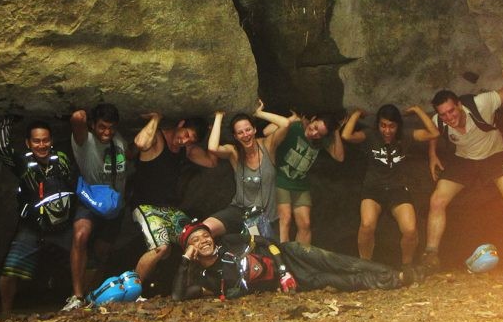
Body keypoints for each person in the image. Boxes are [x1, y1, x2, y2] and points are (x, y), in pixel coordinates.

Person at [422, 70, 503, 273]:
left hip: (494, 154)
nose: (449, 117)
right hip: (464, 159)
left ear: (459, 105)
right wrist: (432, 155)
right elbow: (432, 133)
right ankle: (430, 255)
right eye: (443, 114)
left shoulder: (481, 104)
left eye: (451, 111)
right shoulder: (438, 121)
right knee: (437, 200)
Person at [172, 222, 403, 301]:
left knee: (338, 263)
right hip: (290, 283)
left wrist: (283, 270)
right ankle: (394, 280)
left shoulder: (228, 242)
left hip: (290, 256)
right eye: (195, 240)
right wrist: (184, 260)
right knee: (339, 281)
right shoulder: (207, 279)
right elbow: (177, 296)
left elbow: (267, 241)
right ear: (191, 249)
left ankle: (395, 273)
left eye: (205, 235)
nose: (204, 240)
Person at [341, 105, 439, 277]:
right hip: (373, 188)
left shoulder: (405, 135)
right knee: (367, 225)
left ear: (398, 126)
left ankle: (406, 265)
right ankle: (366, 265)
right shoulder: (371, 135)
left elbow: (434, 133)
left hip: (397, 188)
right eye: (383, 125)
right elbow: (346, 135)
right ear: (378, 125)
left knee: (410, 229)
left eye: (391, 126)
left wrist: (417, 111)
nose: (387, 130)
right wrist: (357, 114)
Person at [0, 115, 76, 314]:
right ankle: (6, 313)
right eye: (36, 141)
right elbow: (0, 147)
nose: (42, 145)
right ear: (28, 143)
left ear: (51, 140)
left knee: (87, 261)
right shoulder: (23, 163)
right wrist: (7, 120)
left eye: (45, 140)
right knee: (10, 270)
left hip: (63, 226)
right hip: (33, 227)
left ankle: (82, 301)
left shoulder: (62, 159)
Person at [130, 113, 217, 283]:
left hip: (169, 209)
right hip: (145, 207)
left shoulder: (186, 150)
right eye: (186, 134)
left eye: (190, 140)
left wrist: (216, 123)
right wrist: (156, 118)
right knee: (162, 248)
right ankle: (133, 288)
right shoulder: (158, 137)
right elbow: (140, 143)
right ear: (181, 123)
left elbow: (212, 161)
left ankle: (200, 284)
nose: (185, 141)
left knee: (197, 237)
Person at [63, 103, 131, 311]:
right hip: (91, 200)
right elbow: (77, 118)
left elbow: (134, 153)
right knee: (80, 235)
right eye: (102, 127)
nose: (107, 132)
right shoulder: (85, 141)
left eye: (111, 128)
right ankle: (76, 296)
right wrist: (85, 111)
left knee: (102, 252)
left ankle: (94, 294)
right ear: (93, 125)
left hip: (115, 204)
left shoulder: (119, 141)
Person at [203, 100, 290, 239]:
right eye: (240, 132)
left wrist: (258, 113)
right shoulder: (234, 152)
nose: (245, 135)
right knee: (205, 228)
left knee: (259, 247)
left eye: (248, 130)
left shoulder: (268, 145)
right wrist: (219, 117)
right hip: (239, 211)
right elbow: (212, 148)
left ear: (254, 130)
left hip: (265, 216)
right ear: (235, 136)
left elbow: (285, 124)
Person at [264, 112, 345, 244]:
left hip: (300, 184)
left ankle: (302, 254)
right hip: (281, 177)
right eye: (315, 127)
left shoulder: (319, 141)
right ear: (313, 119)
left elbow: (339, 157)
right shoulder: (296, 127)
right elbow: (266, 131)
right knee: (285, 218)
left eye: (320, 134)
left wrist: (335, 131)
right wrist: (290, 120)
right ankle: (283, 254)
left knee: (305, 224)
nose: (314, 133)